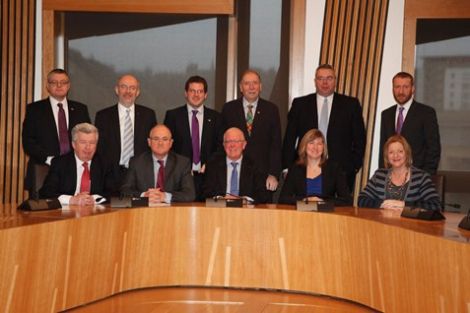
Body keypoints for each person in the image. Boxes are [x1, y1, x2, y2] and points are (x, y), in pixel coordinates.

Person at [282, 64, 366, 191]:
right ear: (315, 81)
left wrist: (354, 166)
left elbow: (360, 138)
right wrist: (287, 167)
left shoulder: (351, 105)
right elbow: (290, 138)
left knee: (340, 209)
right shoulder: (300, 104)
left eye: (329, 78)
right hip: (305, 168)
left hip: (342, 170)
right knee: (306, 207)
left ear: (335, 81)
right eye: (320, 78)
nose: (325, 82)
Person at [22, 68, 91, 197]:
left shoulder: (81, 109)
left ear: (68, 86)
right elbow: (28, 142)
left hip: (74, 169)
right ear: (47, 86)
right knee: (41, 214)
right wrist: (49, 159)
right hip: (43, 168)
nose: (59, 86)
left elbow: (88, 139)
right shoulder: (35, 109)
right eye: (54, 82)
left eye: (63, 82)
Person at [221, 70, 282, 200]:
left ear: (261, 86)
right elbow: (222, 143)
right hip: (235, 174)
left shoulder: (271, 109)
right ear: (241, 87)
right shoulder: (229, 109)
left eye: (255, 83)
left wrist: (274, 174)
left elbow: (276, 145)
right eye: (247, 83)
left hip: (263, 177)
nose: (251, 87)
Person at [164, 75, 222, 201]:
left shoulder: (216, 117)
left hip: (208, 178)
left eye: (200, 91)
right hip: (180, 178)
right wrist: (182, 166)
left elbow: (220, 147)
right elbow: (166, 147)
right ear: (186, 93)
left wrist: (210, 164)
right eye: (192, 91)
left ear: (205, 95)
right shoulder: (173, 116)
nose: (196, 95)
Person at [94, 74, 157, 187]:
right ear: (117, 90)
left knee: (140, 205)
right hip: (111, 176)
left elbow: (153, 145)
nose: (128, 91)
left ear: (137, 92)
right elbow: (99, 148)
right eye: (124, 87)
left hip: (140, 175)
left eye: (132, 88)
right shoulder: (103, 116)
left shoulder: (148, 115)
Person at [379, 71, 441, 175]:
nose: (401, 91)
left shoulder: (426, 113)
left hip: (417, 177)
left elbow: (433, 149)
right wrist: (383, 175)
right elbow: (384, 148)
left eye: (405, 87)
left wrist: (425, 176)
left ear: (413, 89)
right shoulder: (386, 114)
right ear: (392, 89)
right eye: (397, 87)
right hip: (391, 177)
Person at [359, 135, 441, 211]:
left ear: (407, 153)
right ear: (387, 156)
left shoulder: (421, 177)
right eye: (391, 152)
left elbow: (435, 205)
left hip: (410, 226)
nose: (396, 155)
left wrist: (405, 205)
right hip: (382, 224)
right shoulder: (379, 175)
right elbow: (361, 200)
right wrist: (381, 204)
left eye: (400, 151)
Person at [39, 123, 113, 206]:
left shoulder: (105, 163)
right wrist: (71, 200)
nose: (88, 147)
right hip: (65, 213)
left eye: (92, 143)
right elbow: (46, 192)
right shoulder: (60, 163)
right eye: (83, 142)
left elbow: (113, 192)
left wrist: (94, 199)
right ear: (73, 144)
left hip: (95, 213)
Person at [120, 124, 195, 203]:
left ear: (171, 143)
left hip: (173, 212)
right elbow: (124, 191)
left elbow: (190, 194)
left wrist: (165, 196)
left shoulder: (182, 163)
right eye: (156, 139)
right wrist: (144, 196)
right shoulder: (136, 162)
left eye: (165, 139)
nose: (160, 143)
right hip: (144, 212)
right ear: (149, 142)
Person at [279, 129, 351, 205]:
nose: (315, 147)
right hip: (301, 214)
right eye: (311, 143)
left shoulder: (334, 168)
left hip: (326, 214)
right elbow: (283, 199)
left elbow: (347, 200)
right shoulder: (295, 169)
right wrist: (305, 200)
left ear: (323, 147)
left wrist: (322, 202)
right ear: (304, 146)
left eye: (319, 144)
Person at [203, 127, 269, 204]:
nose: (232, 145)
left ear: (244, 145)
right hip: (220, 210)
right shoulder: (213, 165)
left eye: (236, 141)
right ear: (223, 145)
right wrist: (221, 200)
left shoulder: (254, 166)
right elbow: (205, 193)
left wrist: (244, 200)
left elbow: (262, 195)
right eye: (228, 141)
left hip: (246, 212)